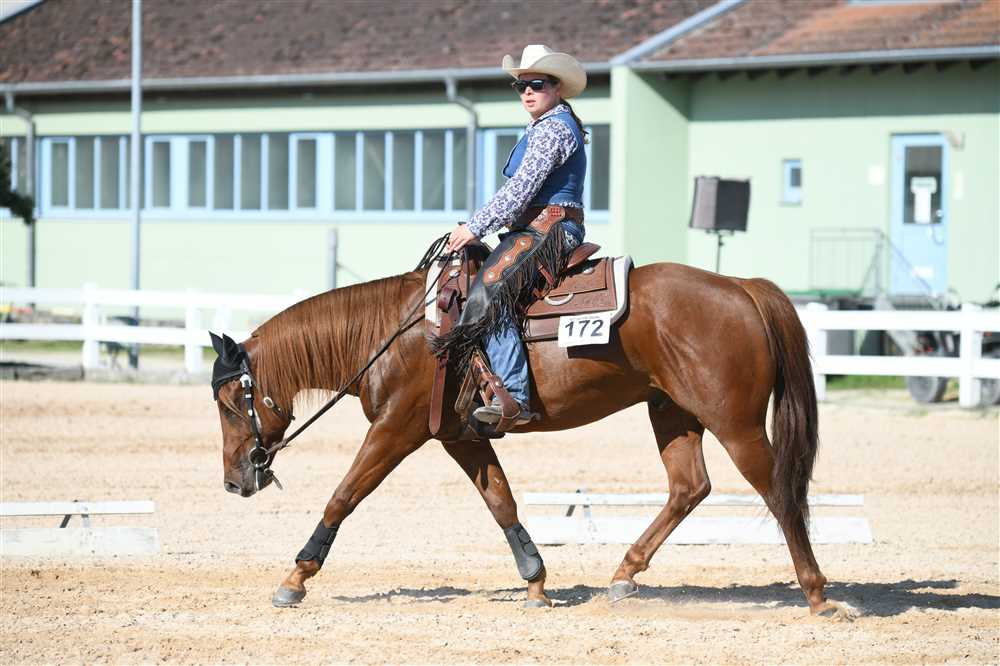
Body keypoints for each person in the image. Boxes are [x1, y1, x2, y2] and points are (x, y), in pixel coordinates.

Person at [441, 44, 588, 430]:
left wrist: (474, 227)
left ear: (556, 88)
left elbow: (520, 190)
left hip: (549, 229)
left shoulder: (553, 129)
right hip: (535, 228)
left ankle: (515, 398)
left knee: (488, 293)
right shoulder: (545, 126)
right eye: (521, 86)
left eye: (537, 84)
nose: (527, 92)